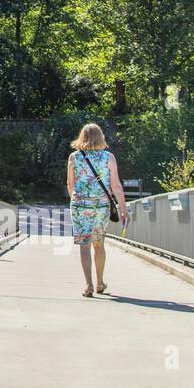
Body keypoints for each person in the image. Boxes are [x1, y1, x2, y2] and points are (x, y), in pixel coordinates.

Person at [66, 123, 128, 297]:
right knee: (99, 245)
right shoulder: (109, 157)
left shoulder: (74, 158)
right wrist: (123, 209)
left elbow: (70, 184)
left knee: (84, 246)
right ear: (101, 137)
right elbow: (115, 185)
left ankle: (88, 285)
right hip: (101, 206)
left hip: (79, 205)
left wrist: (77, 200)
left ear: (82, 137)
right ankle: (100, 283)